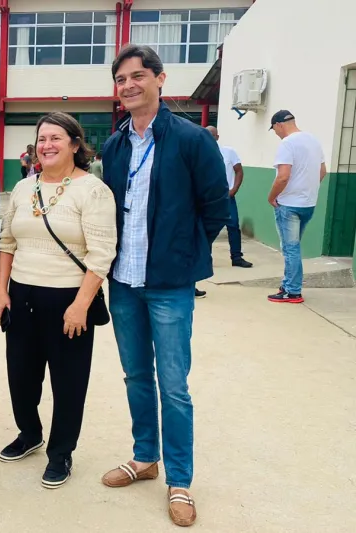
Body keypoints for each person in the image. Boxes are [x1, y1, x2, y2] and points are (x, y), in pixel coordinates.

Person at [99, 45, 229, 527]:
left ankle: (180, 479)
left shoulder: (191, 139)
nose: (129, 85)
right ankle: (144, 458)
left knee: (173, 385)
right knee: (135, 375)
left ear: (159, 79)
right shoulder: (115, 145)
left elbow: (217, 205)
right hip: (124, 282)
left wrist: (184, 251)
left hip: (169, 283)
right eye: (121, 79)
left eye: (138, 76)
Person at [0, 112, 117, 488]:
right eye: (42, 138)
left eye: (56, 138)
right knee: (21, 377)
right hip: (22, 295)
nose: (46, 145)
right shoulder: (22, 188)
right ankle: (29, 433)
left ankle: (61, 452)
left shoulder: (93, 191)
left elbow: (101, 253)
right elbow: (7, 242)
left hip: (68, 298)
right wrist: (1, 291)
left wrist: (81, 304)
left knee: (68, 383)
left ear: (76, 145)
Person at [267, 110, 326, 303]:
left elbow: (283, 176)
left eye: (274, 130)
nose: (276, 133)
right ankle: (288, 284)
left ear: (278, 125)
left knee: (290, 249)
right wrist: (307, 189)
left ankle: (292, 291)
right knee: (293, 247)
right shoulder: (313, 140)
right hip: (308, 204)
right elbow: (322, 171)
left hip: (289, 205)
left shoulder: (287, 143)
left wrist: (272, 196)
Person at [205, 126, 253, 268]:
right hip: (208, 199)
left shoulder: (229, 152)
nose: (210, 139)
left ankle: (237, 257)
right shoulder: (200, 153)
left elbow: (239, 171)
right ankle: (205, 260)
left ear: (217, 137)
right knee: (206, 229)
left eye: (212, 136)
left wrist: (234, 189)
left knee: (233, 226)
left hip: (227, 197)